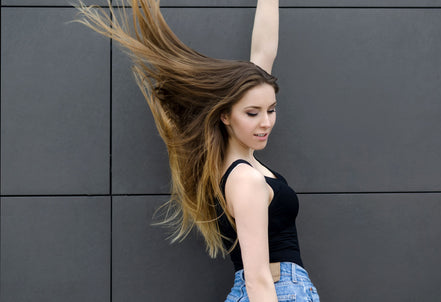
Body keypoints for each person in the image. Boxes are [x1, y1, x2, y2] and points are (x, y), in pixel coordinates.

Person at [75, 0, 320, 301]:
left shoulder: (236, 164)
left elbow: (263, 52)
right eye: (253, 113)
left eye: (271, 110)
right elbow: (257, 279)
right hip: (276, 291)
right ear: (225, 115)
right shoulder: (245, 179)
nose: (266, 122)